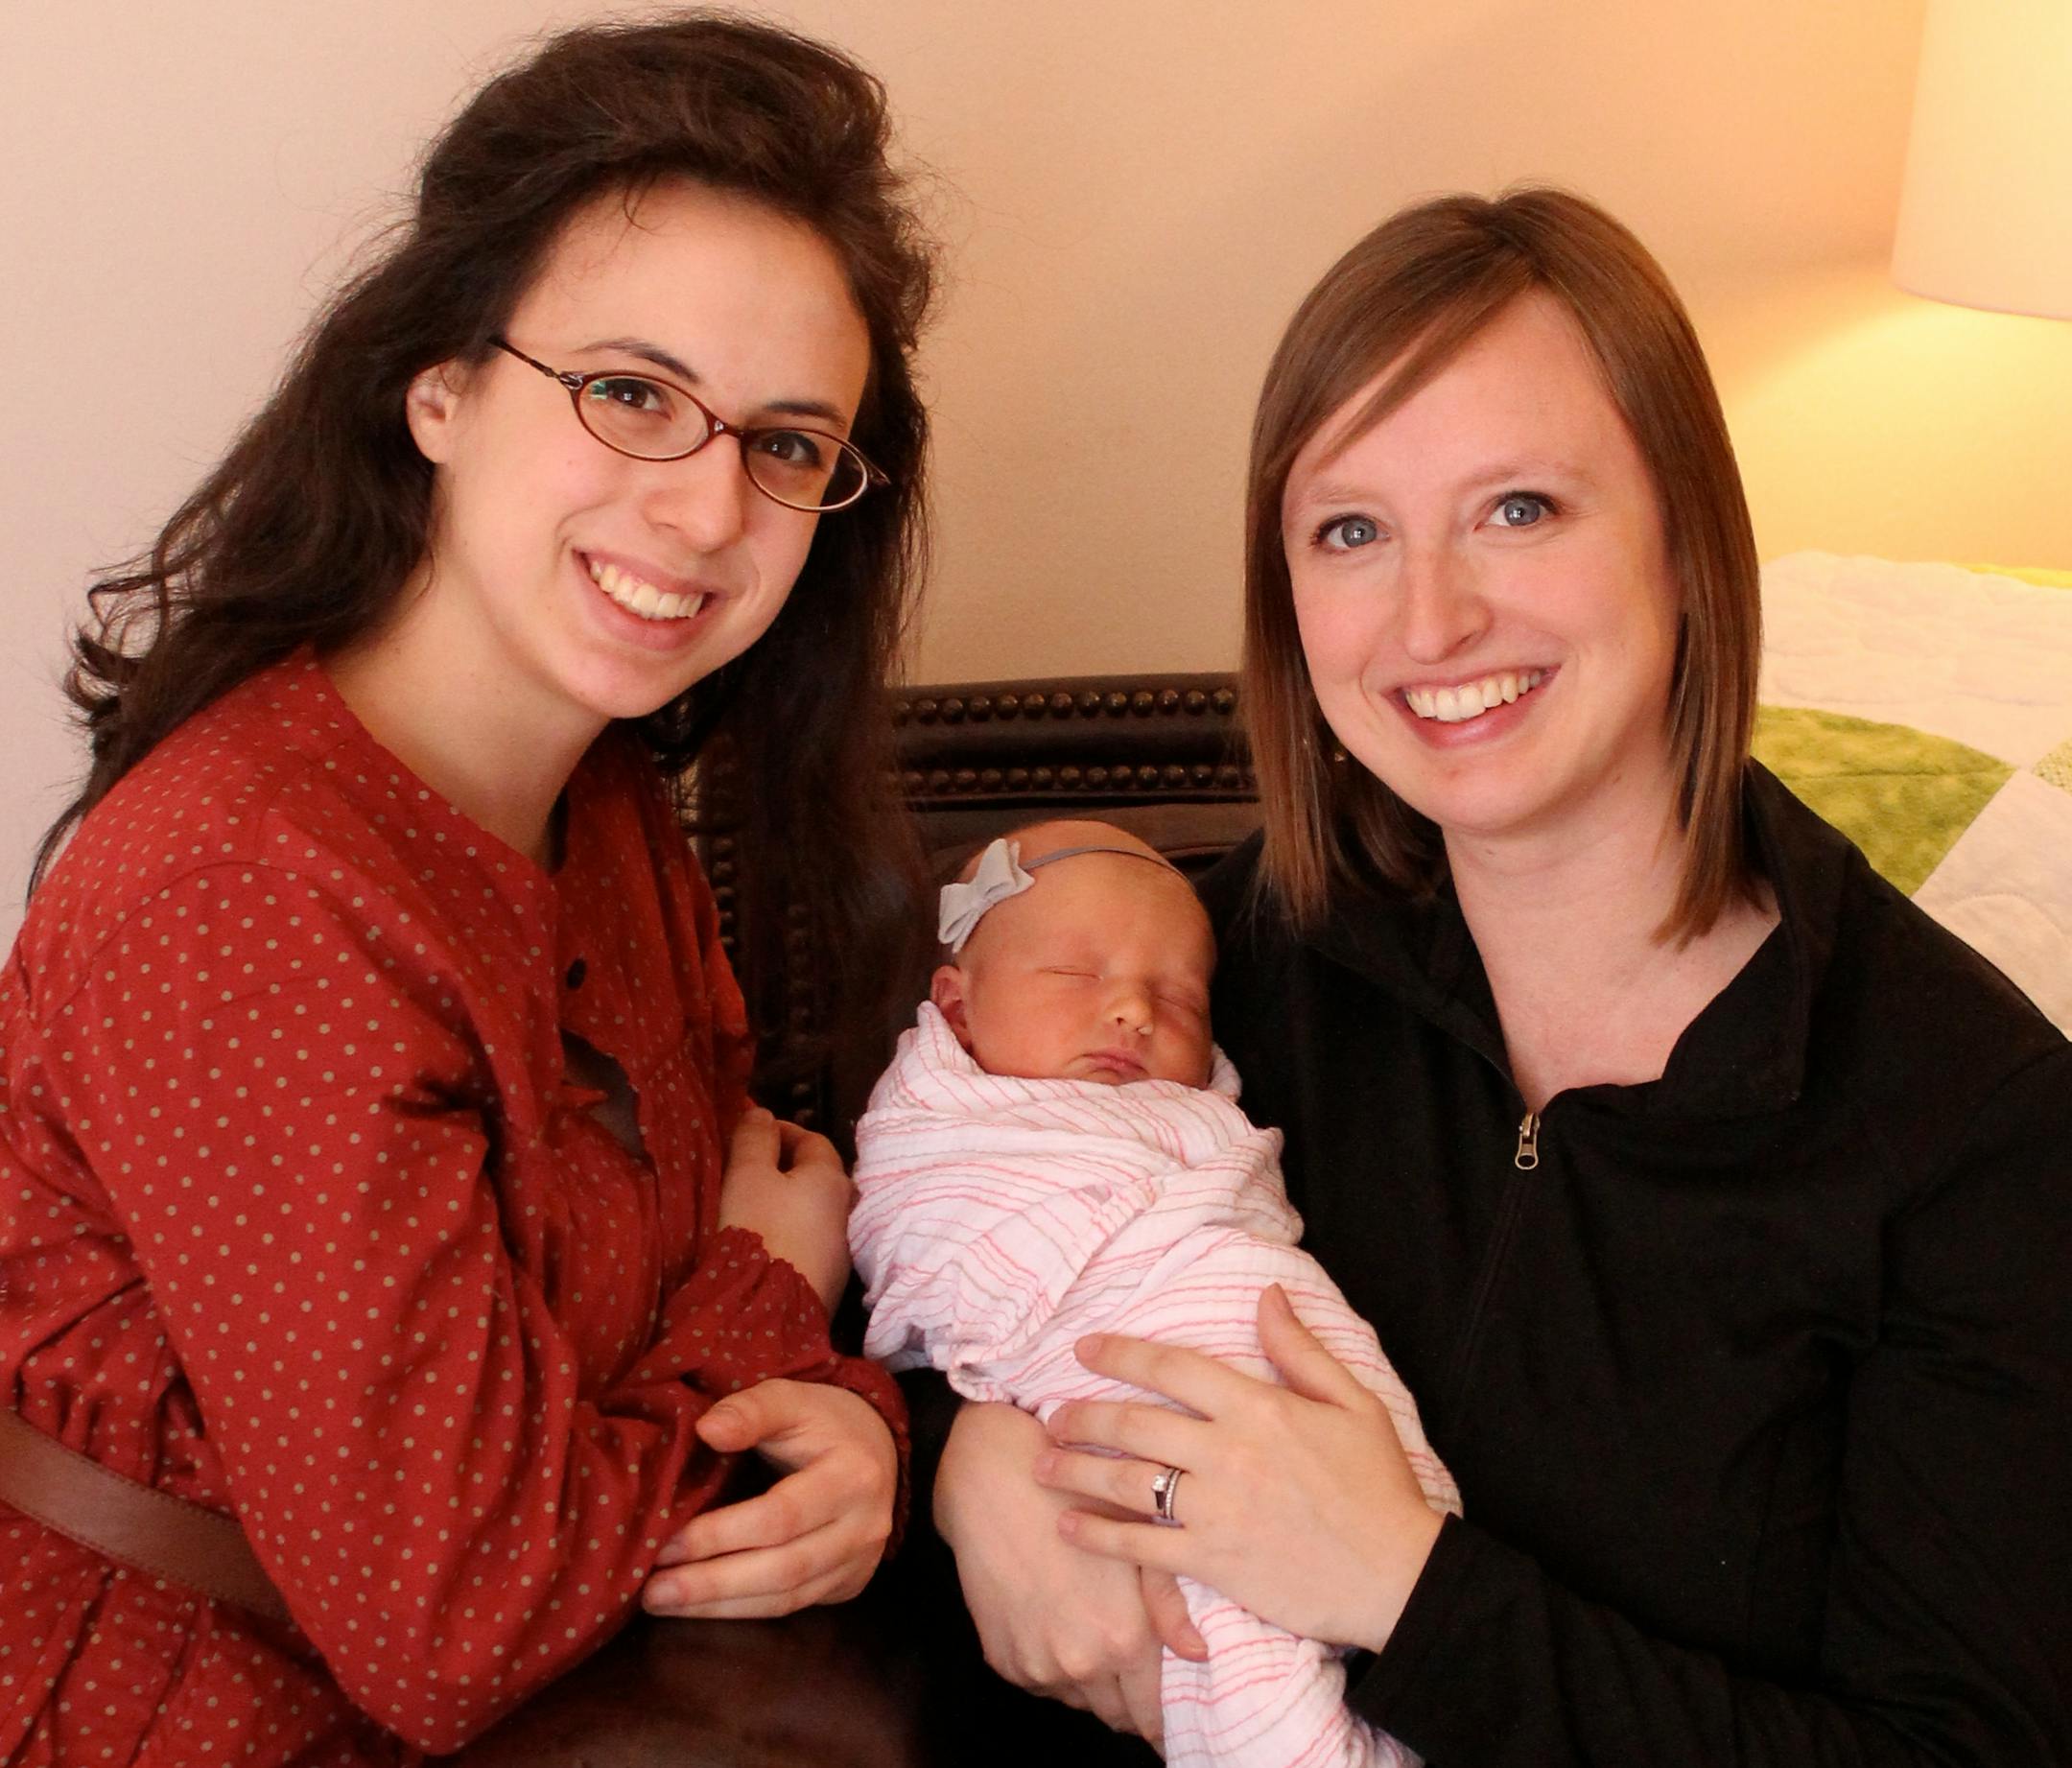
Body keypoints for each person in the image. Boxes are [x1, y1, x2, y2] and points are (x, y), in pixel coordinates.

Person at [924, 190, 2072, 1763]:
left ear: (1684, 527)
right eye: (1352, 531)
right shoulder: (1227, 959)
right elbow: (951, 1210)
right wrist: (972, 1462)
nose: (1431, 617)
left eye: (1519, 508)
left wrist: (1401, 1584)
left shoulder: (1975, 1130)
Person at [0, 15, 934, 1764]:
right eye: (632, 394)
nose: (707, 505)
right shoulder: (247, 890)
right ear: (438, 385)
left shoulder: (607, 803)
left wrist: (837, 1423)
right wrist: (767, 1303)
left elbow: (716, 1217)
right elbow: (458, 1616)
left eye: (787, 443)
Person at [850, 819, 1458, 1768]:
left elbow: (1234, 1225)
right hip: (1130, 1434)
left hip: (1313, 1439)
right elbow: (911, 1290)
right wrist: (965, 1450)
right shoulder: (936, 1132)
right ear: (957, 1010)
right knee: (1237, 1638)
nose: (1135, 1009)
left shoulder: (1208, 1111)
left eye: (1180, 995)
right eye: (1076, 976)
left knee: (1291, 1610)